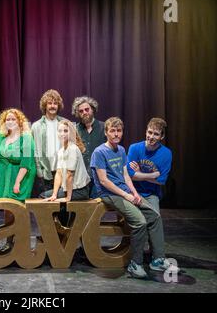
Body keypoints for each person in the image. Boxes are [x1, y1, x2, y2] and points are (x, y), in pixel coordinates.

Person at [90, 117, 177, 279]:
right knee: (140, 222)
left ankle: (157, 259)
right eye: (112, 131)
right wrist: (126, 195)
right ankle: (135, 263)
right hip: (109, 194)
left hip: (125, 191)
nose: (116, 134)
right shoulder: (99, 152)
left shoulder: (121, 150)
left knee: (155, 216)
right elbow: (103, 181)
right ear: (106, 132)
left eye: (119, 131)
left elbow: (125, 175)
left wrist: (135, 193)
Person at [0, 108, 36, 252]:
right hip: (3, 176)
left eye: (13, 119)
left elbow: (26, 162)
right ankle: (9, 242)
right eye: (7, 119)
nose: (10, 122)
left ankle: (20, 243)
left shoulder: (26, 137)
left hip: (21, 175)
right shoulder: (0, 136)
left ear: (19, 121)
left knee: (17, 208)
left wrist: (17, 182)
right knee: (7, 209)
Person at [127, 118, 172, 215]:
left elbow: (161, 181)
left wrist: (139, 174)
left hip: (151, 194)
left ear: (162, 136)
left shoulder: (166, 153)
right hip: (132, 191)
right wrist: (153, 175)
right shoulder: (134, 148)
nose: (151, 137)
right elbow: (130, 176)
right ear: (146, 131)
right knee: (136, 220)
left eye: (156, 134)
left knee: (155, 216)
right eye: (150, 132)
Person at [40, 119, 90, 202]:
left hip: (80, 190)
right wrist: (54, 195)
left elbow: (69, 175)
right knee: (46, 196)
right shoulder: (61, 150)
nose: (62, 134)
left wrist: (68, 198)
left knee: (44, 196)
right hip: (69, 189)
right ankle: (61, 214)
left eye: (66, 131)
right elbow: (59, 173)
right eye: (60, 131)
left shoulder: (73, 149)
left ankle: (65, 214)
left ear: (71, 133)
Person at [31, 89, 65, 197]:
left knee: (63, 206)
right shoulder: (36, 126)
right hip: (45, 172)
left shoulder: (65, 123)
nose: (52, 106)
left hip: (62, 170)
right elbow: (34, 149)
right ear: (45, 105)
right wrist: (38, 170)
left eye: (55, 103)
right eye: (50, 103)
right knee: (46, 205)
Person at [72, 96, 106, 198]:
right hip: (81, 178)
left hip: (99, 177)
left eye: (87, 109)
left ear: (93, 109)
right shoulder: (74, 129)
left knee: (97, 209)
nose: (84, 112)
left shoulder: (104, 127)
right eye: (81, 111)